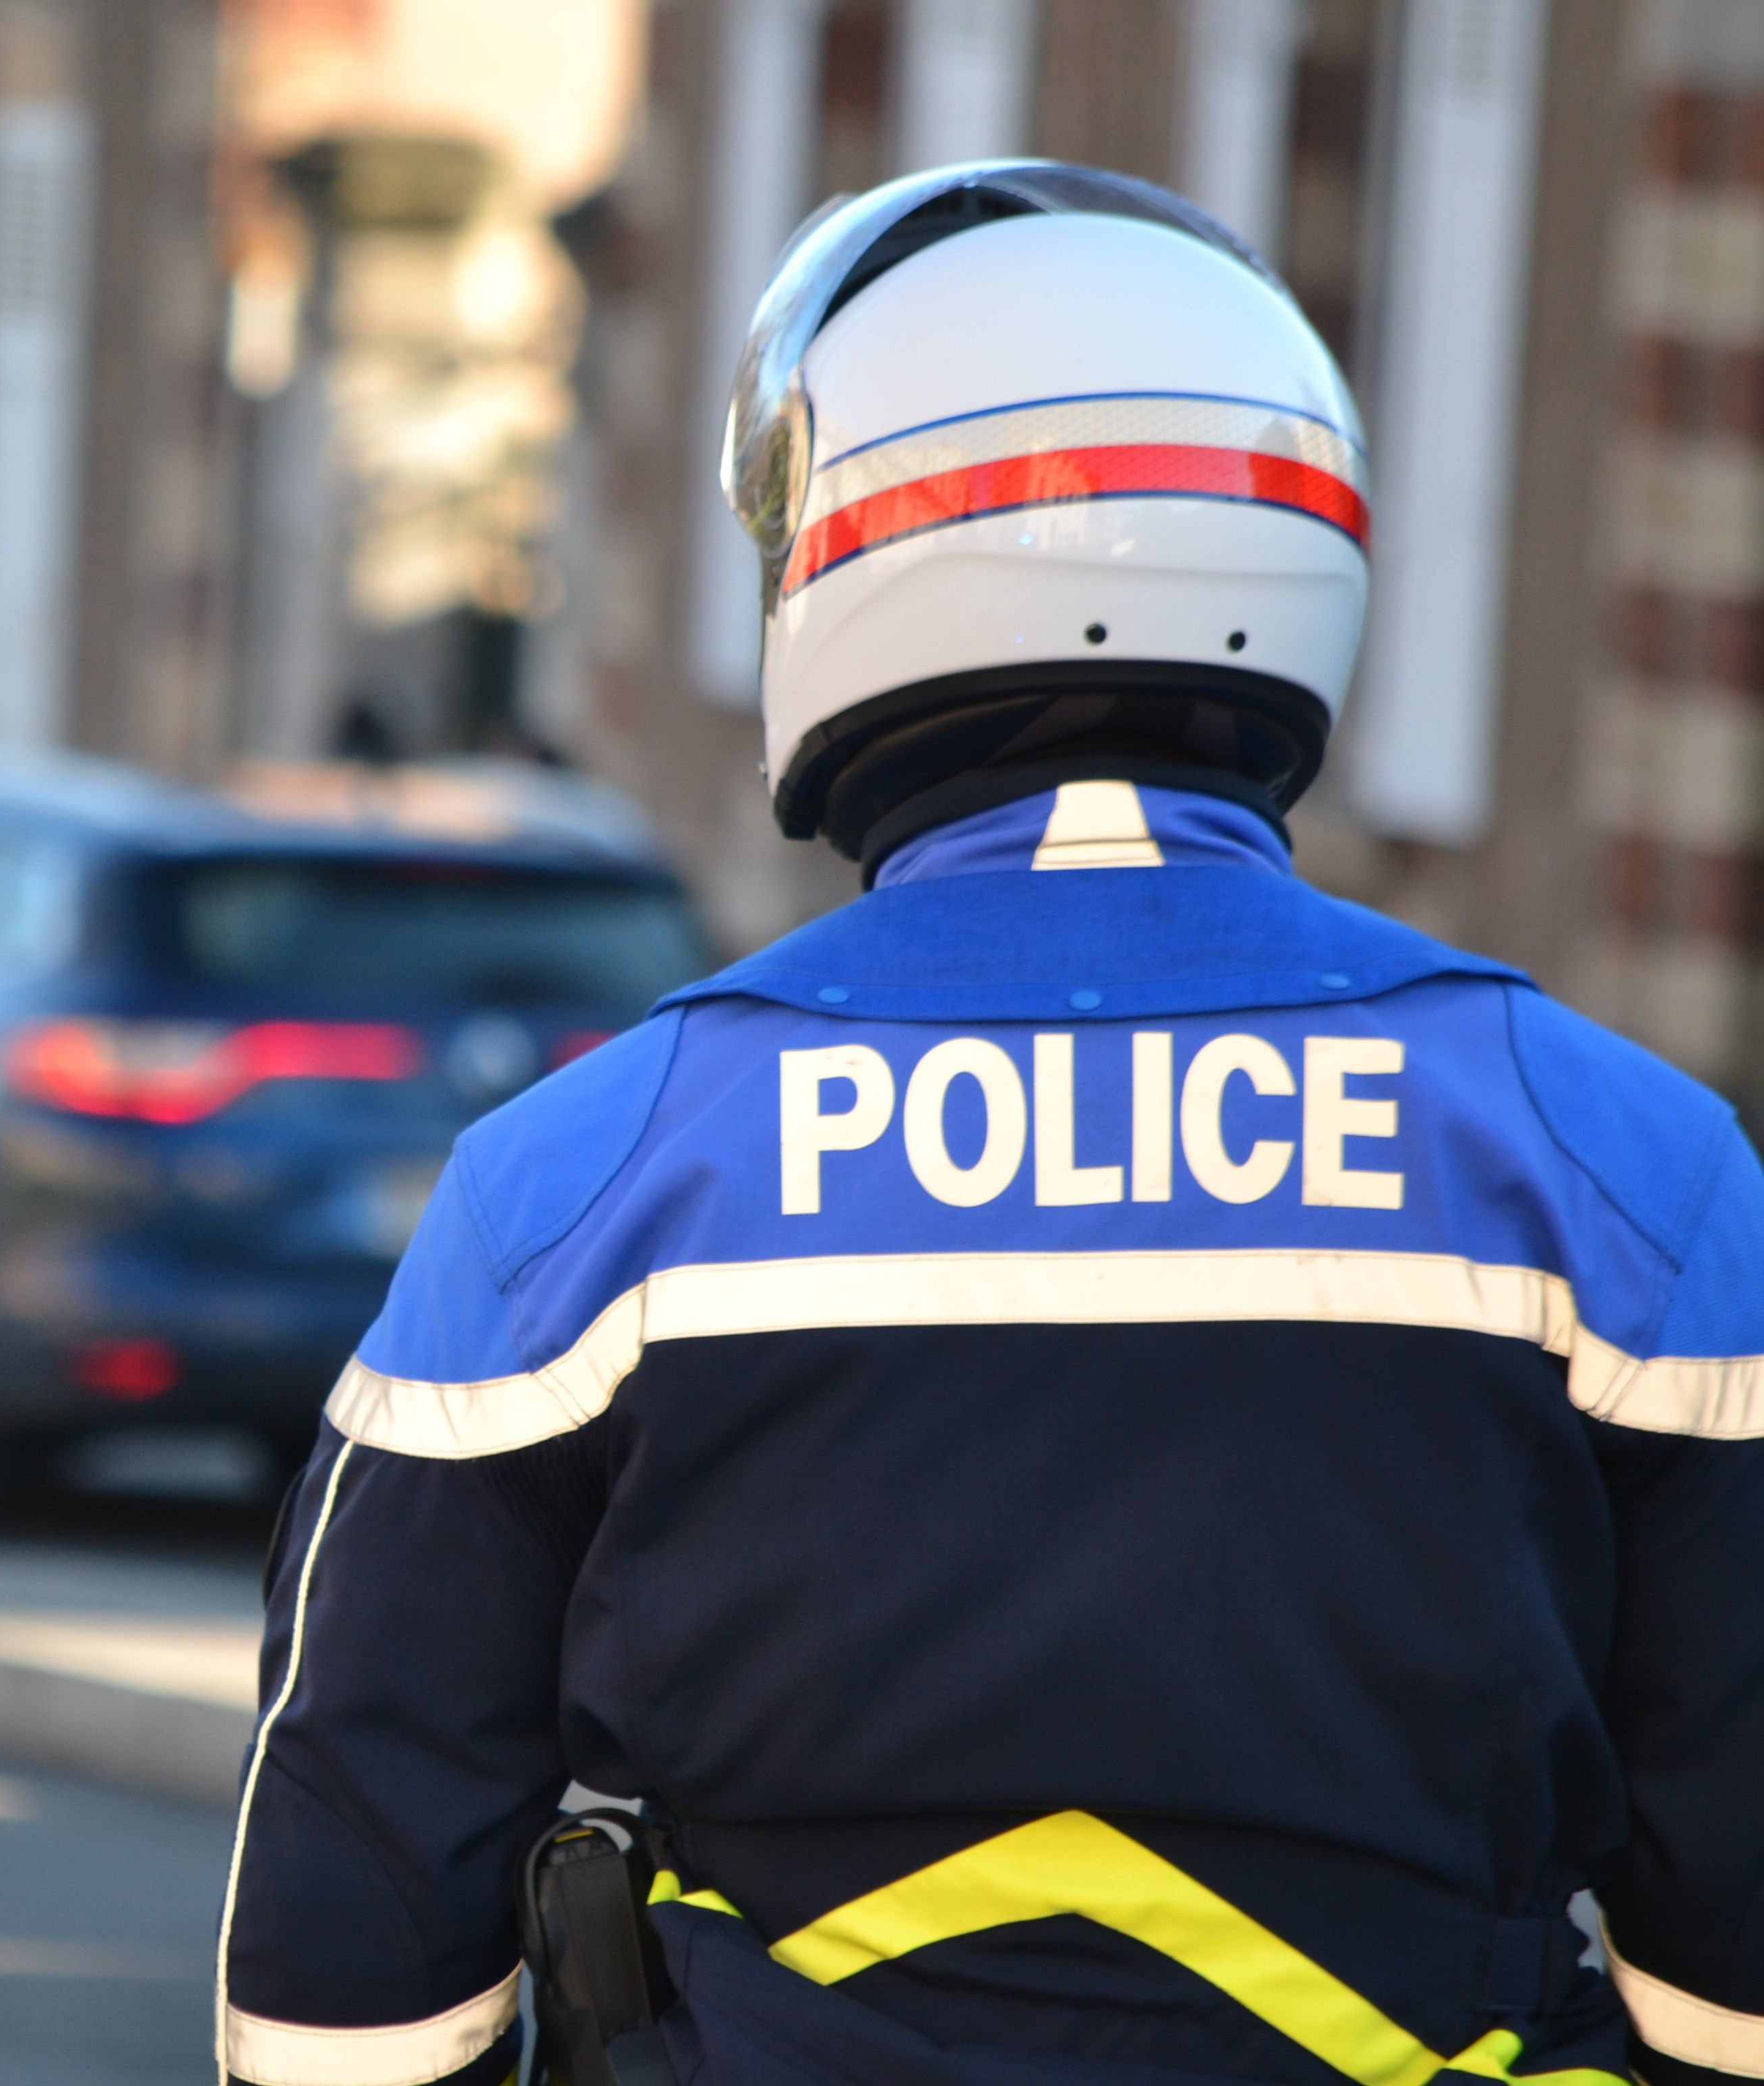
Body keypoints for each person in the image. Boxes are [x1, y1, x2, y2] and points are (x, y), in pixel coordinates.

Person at [215, 163, 1764, 2086]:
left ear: (846, 558)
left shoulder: (581, 1184)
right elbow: (1740, 1955)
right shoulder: (1635, 1169)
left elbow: (349, 1945)